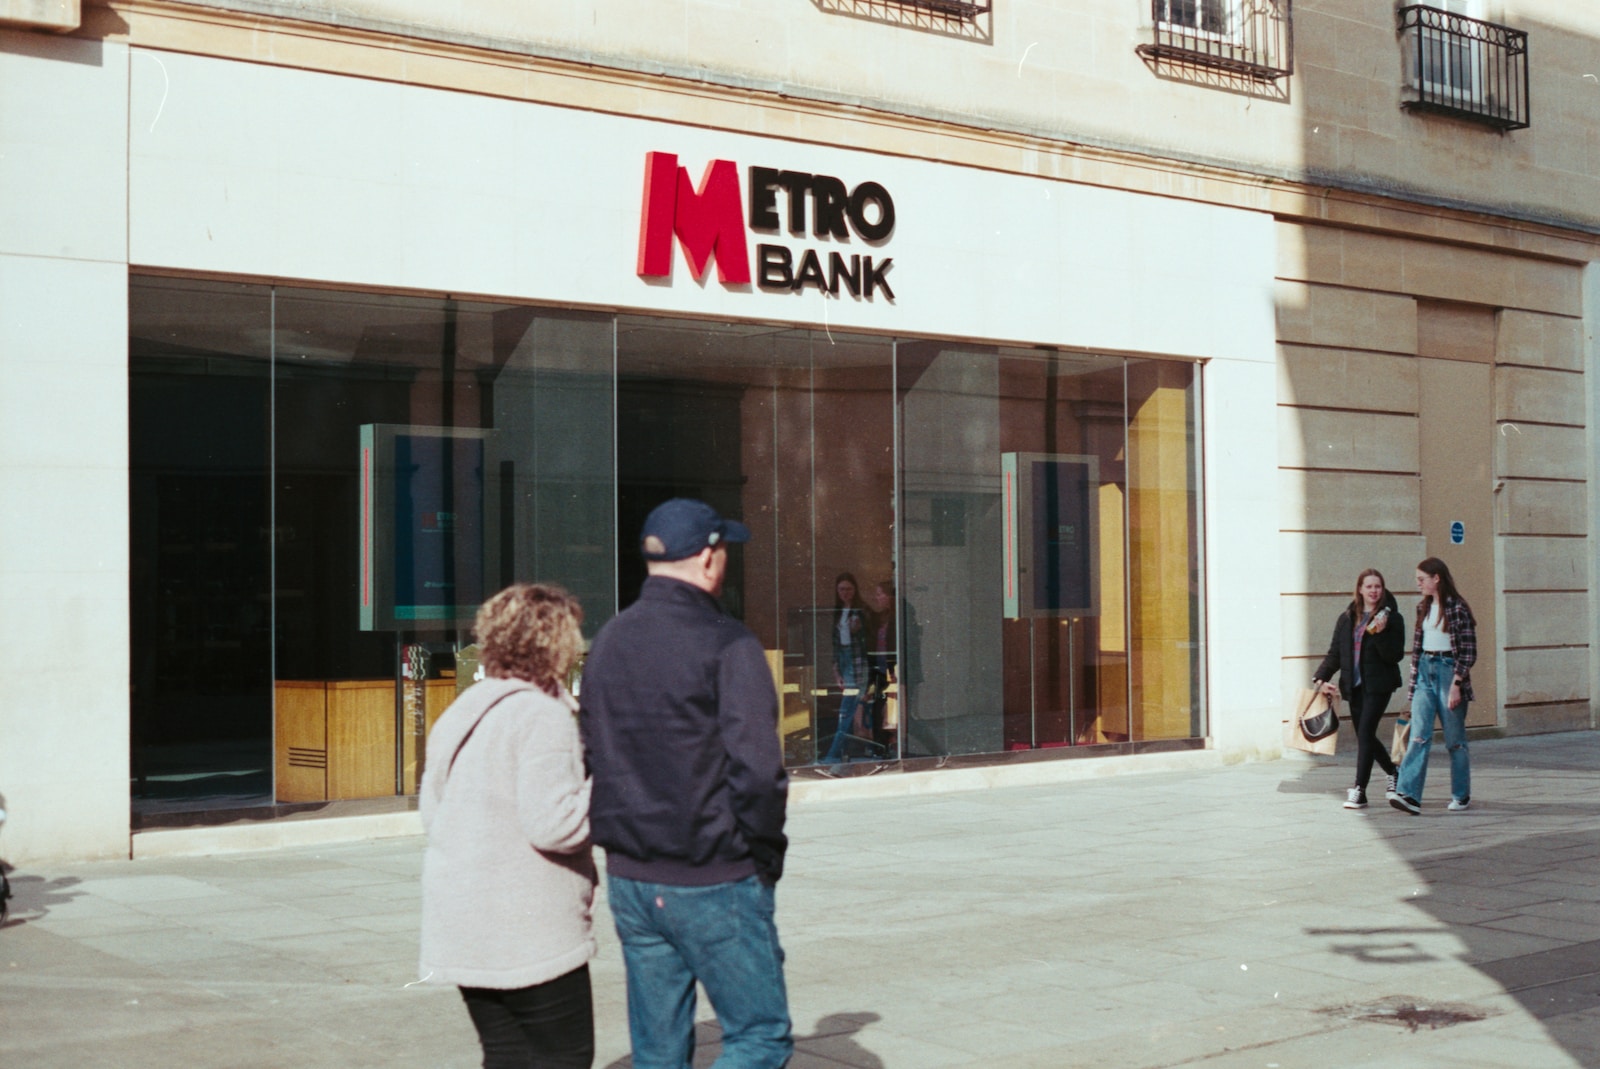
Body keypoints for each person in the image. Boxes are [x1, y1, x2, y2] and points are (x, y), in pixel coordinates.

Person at [580, 498, 793, 1069]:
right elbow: (758, 774)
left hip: (632, 879)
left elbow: (591, 752)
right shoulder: (729, 643)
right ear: (707, 558)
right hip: (713, 875)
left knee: (657, 1051)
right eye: (724, 551)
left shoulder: (608, 642)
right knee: (759, 1037)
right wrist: (763, 858)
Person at [418, 584, 596, 1069]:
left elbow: (433, 813)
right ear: (555, 642)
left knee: (506, 1054)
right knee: (565, 1057)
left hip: (462, 924)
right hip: (529, 931)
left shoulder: (463, 711)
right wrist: (609, 783)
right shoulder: (542, 715)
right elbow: (555, 826)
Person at [1311, 569, 1404, 810]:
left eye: (1378, 586)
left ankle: (1360, 790)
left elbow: (1394, 656)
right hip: (1353, 686)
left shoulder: (1392, 619)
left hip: (1379, 685)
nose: (1374, 591)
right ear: (1360, 589)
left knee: (1364, 734)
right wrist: (1320, 677)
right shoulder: (1347, 618)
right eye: (1369, 586)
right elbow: (1335, 653)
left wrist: (1382, 634)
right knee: (1366, 735)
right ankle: (1394, 771)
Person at [1391, 557, 1477, 815]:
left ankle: (1461, 795)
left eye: (1422, 579)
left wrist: (1456, 684)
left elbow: (1469, 652)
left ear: (1436, 578)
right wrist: (1414, 685)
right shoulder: (1422, 608)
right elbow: (1417, 651)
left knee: (1455, 741)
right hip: (1425, 673)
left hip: (1449, 672)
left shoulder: (1458, 608)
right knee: (1419, 734)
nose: (1418, 584)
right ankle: (1408, 794)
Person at [821, 572, 871, 764]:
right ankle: (843, 753)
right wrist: (836, 671)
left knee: (846, 711)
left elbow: (865, 641)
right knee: (848, 711)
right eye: (841, 589)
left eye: (849, 589)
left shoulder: (860, 611)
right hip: (843, 661)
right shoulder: (838, 611)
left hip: (856, 661)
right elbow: (836, 644)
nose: (845, 593)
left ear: (855, 590)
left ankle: (833, 755)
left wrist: (857, 630)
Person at [865, 579, 900, 754]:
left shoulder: (899, 614)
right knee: (878, 710)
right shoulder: (880, 617)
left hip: (894, 672)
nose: (876, 598)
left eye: (880, 594)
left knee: (898, 713)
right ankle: (881, 750)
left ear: (889, 596)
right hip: (880, 672)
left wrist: (896, 670)